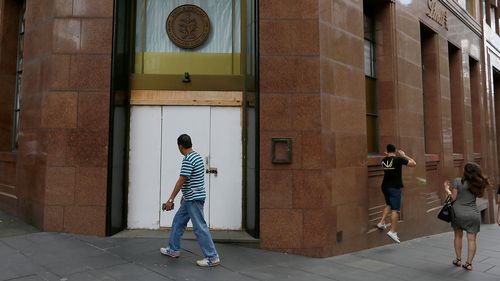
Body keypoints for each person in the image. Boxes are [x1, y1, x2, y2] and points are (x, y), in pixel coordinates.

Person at [160, 134, 220, 267]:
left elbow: (182, 180)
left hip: (193, 199)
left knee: (200, 228)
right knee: (178, 222)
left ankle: (212, 257)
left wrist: (170, 200)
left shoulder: (188, 159)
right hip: (189, 199)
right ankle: (173, 250)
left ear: (180, 146)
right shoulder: (197, 156)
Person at [443, 162, 489, 271]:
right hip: (473, 214)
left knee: (458, 236)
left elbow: (453, 198)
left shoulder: (458, 181)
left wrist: (446, 189)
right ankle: (469, 264)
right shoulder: (478, 183)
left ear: (465, 171)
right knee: (472, 240)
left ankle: (458, 260)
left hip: (458, 213)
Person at [377, 144, 416, 243]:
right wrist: (404, 155)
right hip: (394, 187)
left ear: (386, 151)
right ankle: (392, 231)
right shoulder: (398, 159)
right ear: (395, 150)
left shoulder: (383, 160)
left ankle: (381, 222)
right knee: (395, 209)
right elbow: (413, 163)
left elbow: (388, 158)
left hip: (385, 186)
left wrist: (388, 154)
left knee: (389, 204)